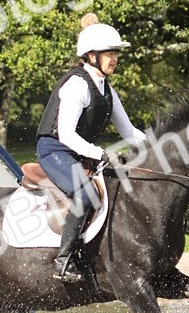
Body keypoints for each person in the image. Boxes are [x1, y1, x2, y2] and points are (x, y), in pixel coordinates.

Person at [36, 14, 146, 281]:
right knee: (85, 195)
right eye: (110, 53)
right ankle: (63, 261)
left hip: (78, 152)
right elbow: (66, 135)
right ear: (92, 56)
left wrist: (159, 148)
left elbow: (128, 131)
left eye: (115, 53)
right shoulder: (77, 85)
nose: (115, 58)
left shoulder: (107, 89)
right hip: (55, 150)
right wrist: (102, 153)